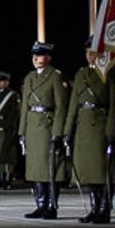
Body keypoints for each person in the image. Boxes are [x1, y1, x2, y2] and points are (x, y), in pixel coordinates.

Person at [64, 50, 115, 224]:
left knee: (101, 171)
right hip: (83, 126)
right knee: (88, 171)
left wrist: (110, 131)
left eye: (94, 52)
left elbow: (111, 105)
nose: (90, 55)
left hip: (99, 125)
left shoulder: (107, 73)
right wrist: (67, 130)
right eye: (88, 52)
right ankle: (94, 208)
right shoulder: (81, 74)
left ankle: (105, 208)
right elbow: (73, 104)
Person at [21, 43, 69, 219]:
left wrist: (58, 132)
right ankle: (40, 204)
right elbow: (25, 108)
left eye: (39, 55)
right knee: (35, 169)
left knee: (50, 169)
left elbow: (61, 106)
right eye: (34, 55)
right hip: (33, 127)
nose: (35, 59)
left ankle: (51, 205)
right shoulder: (29, 78)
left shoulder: (55, 76)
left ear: (48, 57)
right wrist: (22, 131)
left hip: (47, 126)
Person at [0, 72, 20, 189]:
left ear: (7, 82)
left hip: (5, 128)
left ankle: (8, 178)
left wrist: (8, 125)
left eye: (2, 81)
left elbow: (14, 112)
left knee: (6, 155)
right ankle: (1, 177)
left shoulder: (12, 95)